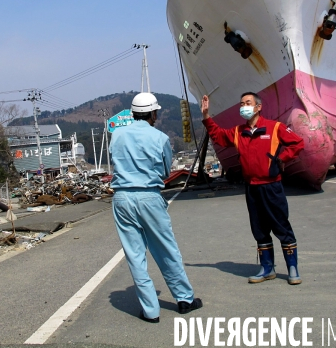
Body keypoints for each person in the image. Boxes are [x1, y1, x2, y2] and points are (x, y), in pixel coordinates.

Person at [110, 92, 202, 323]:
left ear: (133, 113)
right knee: (166, 249)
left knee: (135, 255)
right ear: (153, 113)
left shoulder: (117, 134)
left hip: (122, 197)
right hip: (149, 196)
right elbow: (164, 172)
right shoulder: (160, 137)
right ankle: (184, 299)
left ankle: (150, 311)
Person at [201, 92, 305, 285]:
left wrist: (283, 158)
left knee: (282, 227)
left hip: (272, 187)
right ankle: (267, 268)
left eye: (248, 103)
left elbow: (298, 143)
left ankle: (292, 267)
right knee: (259, 230)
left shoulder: (275, 128)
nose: (243, 106)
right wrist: (206, 116)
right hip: (252, 188)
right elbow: (218, 135)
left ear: (258, 107)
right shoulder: (238, 132)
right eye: (241, 103)